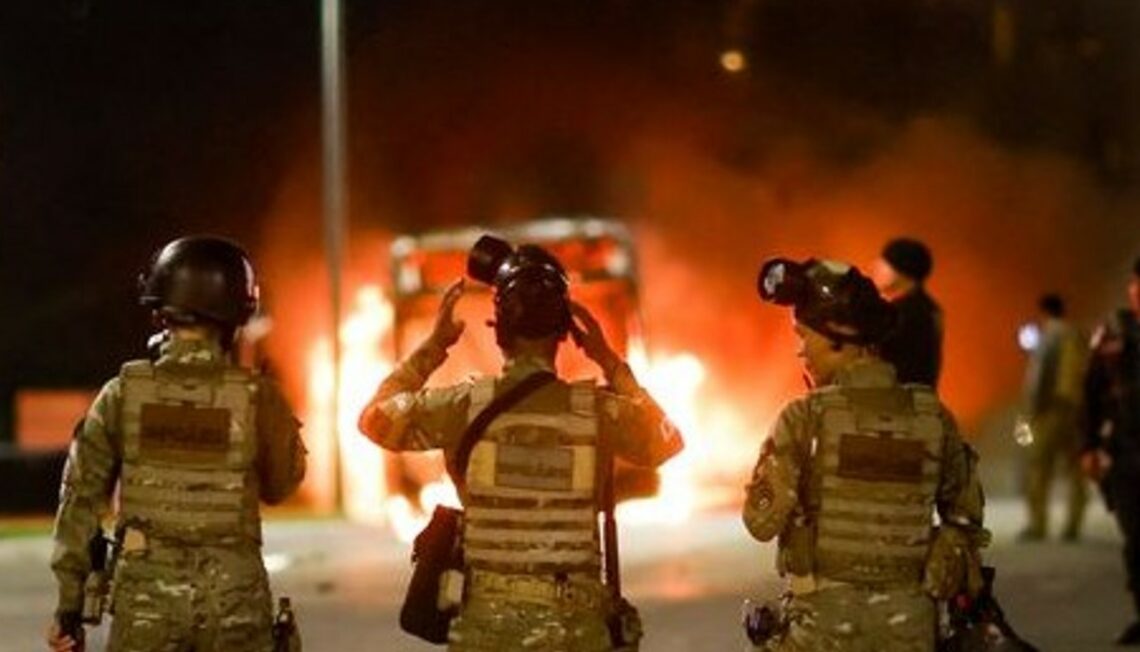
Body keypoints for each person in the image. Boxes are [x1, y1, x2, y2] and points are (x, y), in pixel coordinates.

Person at [358, 235, 683, 651]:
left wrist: (434, 347)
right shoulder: (597, 412)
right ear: (566, 332)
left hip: (484, 632)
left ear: (499, 332)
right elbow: (666, 440)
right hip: (575, 632)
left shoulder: (464, 407)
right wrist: (609, 360)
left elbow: (375, 418)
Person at [46, 236, 307, 652]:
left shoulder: (122, 393)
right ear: (236, 315)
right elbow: (282, 485)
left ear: (160, 310)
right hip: (236, 608)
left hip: (145, 607)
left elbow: (79, 500)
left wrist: (69, 609)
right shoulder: (259, 398)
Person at [744, 257, 987, 652]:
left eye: (804, 337)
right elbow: (965, 515)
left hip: (820, 632)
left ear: (839, 338)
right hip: (910, 629)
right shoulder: (933, 416)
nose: (800, 352)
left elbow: (760, 522)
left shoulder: (804, 419)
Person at [1082, 256, 1140, 645]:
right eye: (1137, 284)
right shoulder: (1114, 332)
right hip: (1126, 457)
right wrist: (1087, 446)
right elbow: (1090, 396)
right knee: (1136, 540)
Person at [1018, 293, 1088, 542]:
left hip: (1049, 411)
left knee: (1038, 467)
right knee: (1075, 469)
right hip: (1074, 410)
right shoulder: (1076, 334)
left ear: (1044, 311)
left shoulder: (1049, 336)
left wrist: (1030, 413)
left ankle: (1038, 524)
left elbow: (1039, 379)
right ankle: (1073, 524)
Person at [872, 237, 944, 388]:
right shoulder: (929, 309)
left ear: (904, 271)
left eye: (886, 264)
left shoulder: (906, 314)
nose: (875, 267)